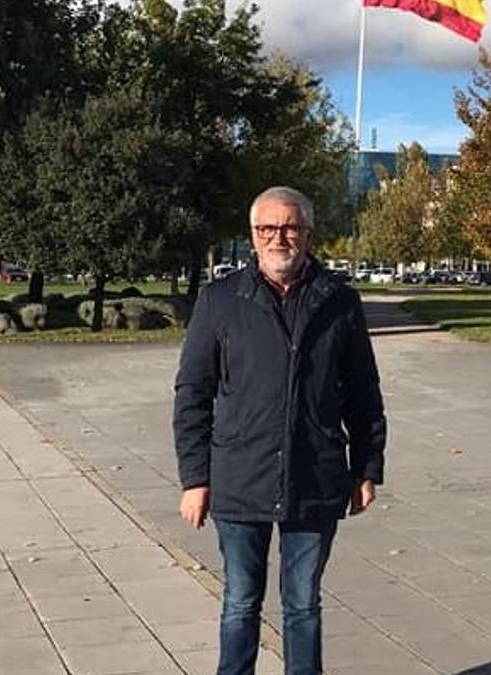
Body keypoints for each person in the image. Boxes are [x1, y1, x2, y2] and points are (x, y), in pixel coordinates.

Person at [173, 186, 387, 675]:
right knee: (240, 601)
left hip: (315, 475)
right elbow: (192, 395)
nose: (278, 237)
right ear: (252, 236)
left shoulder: (339, 302)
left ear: (308, 234)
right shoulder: (220, 301)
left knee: (303, 604)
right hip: (238, 476)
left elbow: (362, 391)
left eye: (289, 227)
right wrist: (195, 479)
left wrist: (366, 467)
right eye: (267, 228)